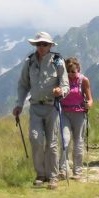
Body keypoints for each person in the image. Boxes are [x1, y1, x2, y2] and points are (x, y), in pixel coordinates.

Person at [13, 31, 68, 188]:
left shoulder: (57, 61)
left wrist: (61, 91)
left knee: (52, 143)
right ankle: (40, 174)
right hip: (35, 106)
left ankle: (53, 176)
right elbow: (23, 85)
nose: (41, 47)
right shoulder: (29, 62)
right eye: (39, 44)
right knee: (35, 139)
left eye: (45, 44)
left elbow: (65, 84)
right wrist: (18, 104)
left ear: (50, 45)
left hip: (52, 107)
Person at [59, 57, 93, 178]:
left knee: (78, 142)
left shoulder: (84, 80)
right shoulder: (62, 80)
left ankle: (77, 171)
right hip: (64, 113)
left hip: (79, 113)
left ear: (78, 69)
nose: (71, 74)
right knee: (65, 139)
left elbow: (90, 99)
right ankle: (63, 170)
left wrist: (88, 105)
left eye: (73, 71)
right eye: (68, 71)